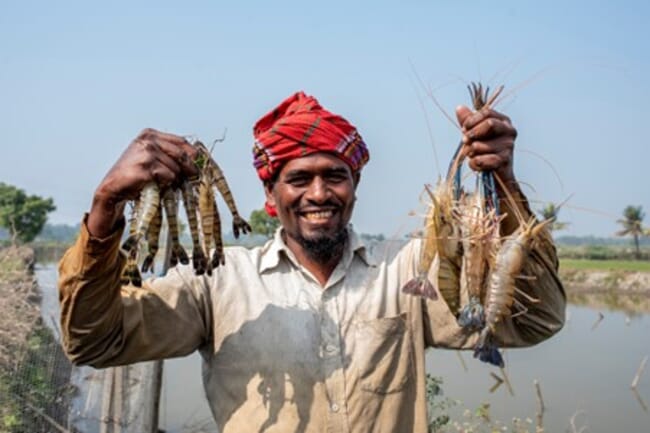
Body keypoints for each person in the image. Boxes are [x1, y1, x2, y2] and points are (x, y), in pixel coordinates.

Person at [58, 91, 565, 432]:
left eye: (335, 175)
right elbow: (92, 342)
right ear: (270, 195)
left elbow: (537, 320)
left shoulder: (408, 272)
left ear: (356, 185)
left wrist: (502, 182)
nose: (319, 193)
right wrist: (106, 205)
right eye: (299, 179)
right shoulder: (216, 282)